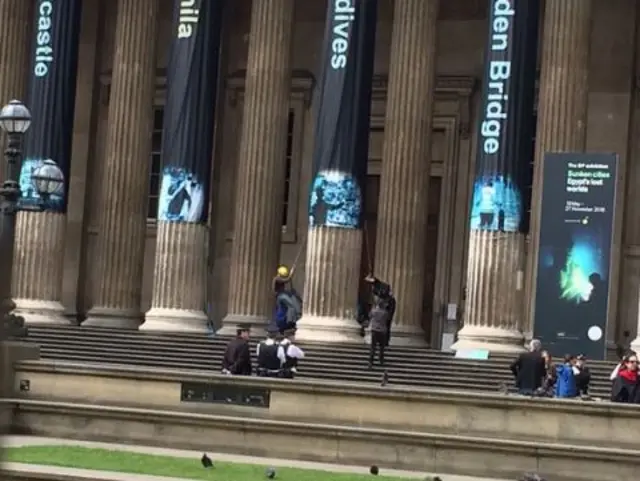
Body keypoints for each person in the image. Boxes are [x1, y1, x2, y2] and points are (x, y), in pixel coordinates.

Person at [364, 274, 396, 346]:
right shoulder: (376, 288)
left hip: (387, 308)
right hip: (384, 309)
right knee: (382, 324)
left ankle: (385, 340)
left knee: (386, 324)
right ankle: (381, 340)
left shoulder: (382, 288)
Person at [273, 265, 303, 334]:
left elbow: (288, 281)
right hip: (280, 295)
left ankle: (297, 316)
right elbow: (287, 280)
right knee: (291, 305)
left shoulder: (280, 278)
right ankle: (290, 321)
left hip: (283, 294)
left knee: (294, 300)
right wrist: (292, 273)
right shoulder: (276, 279)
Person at [368, 296, 390, 368]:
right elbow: (387, 319)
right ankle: (381, 360)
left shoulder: (374, 311)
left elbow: (369, 316)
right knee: (381, 347)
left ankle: (371, 362)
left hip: (374, 330)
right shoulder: (385, 312)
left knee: (373, 347)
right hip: (382, 331)